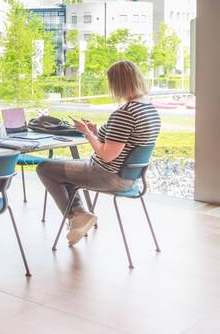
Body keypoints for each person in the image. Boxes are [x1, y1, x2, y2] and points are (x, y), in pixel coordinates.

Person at [37, 60, 161, 245]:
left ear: (118, 84)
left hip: (109, 176)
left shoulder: (126, 113)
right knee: (63, 170)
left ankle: (77, 215)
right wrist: (96, 132)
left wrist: (87, 133)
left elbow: (107, 155)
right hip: (130, 178)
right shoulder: (149, 109)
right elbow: (122, 143)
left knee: (45, 168)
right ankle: (79, 215)